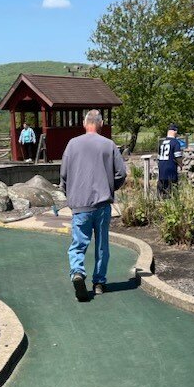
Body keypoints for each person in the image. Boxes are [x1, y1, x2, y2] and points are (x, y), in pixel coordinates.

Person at [60, 109, 127, 301]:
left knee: (78, 243)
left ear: (84, 123)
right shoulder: (109, 145)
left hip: (80, 203)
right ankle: (99, 282)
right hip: (102, 203)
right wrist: (109, 187)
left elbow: (63, 174)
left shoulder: (72, 144)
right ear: (101, 124)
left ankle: (77, 273)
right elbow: (121, 173)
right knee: (102, 244)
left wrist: (69, 194)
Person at [157, 124, 184, 197]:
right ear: (175, 132)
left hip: (161, 172)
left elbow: (158, 158)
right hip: (171, 172)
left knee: (161, 194)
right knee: (171, 193)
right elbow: (177, 156)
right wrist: (181, 165)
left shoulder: (162, 143)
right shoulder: (175, 143)